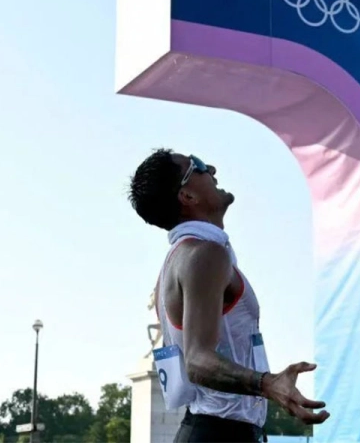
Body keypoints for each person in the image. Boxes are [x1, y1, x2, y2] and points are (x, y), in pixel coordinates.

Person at [128, 149, 330, 442]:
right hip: (218, 433)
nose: (210, 168)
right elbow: (196, 360)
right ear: (187, 197)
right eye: (196, 165)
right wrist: (267, 383)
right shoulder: (204, 254)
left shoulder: (179, 260)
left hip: (212, 429)